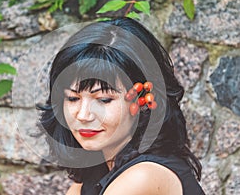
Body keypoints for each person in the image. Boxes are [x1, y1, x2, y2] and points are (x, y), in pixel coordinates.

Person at [38, 17, 205, 195]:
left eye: (103, 100)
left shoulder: (142, 176)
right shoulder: (100, 167)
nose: (83, 115)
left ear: (144, 100)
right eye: (72, 98)